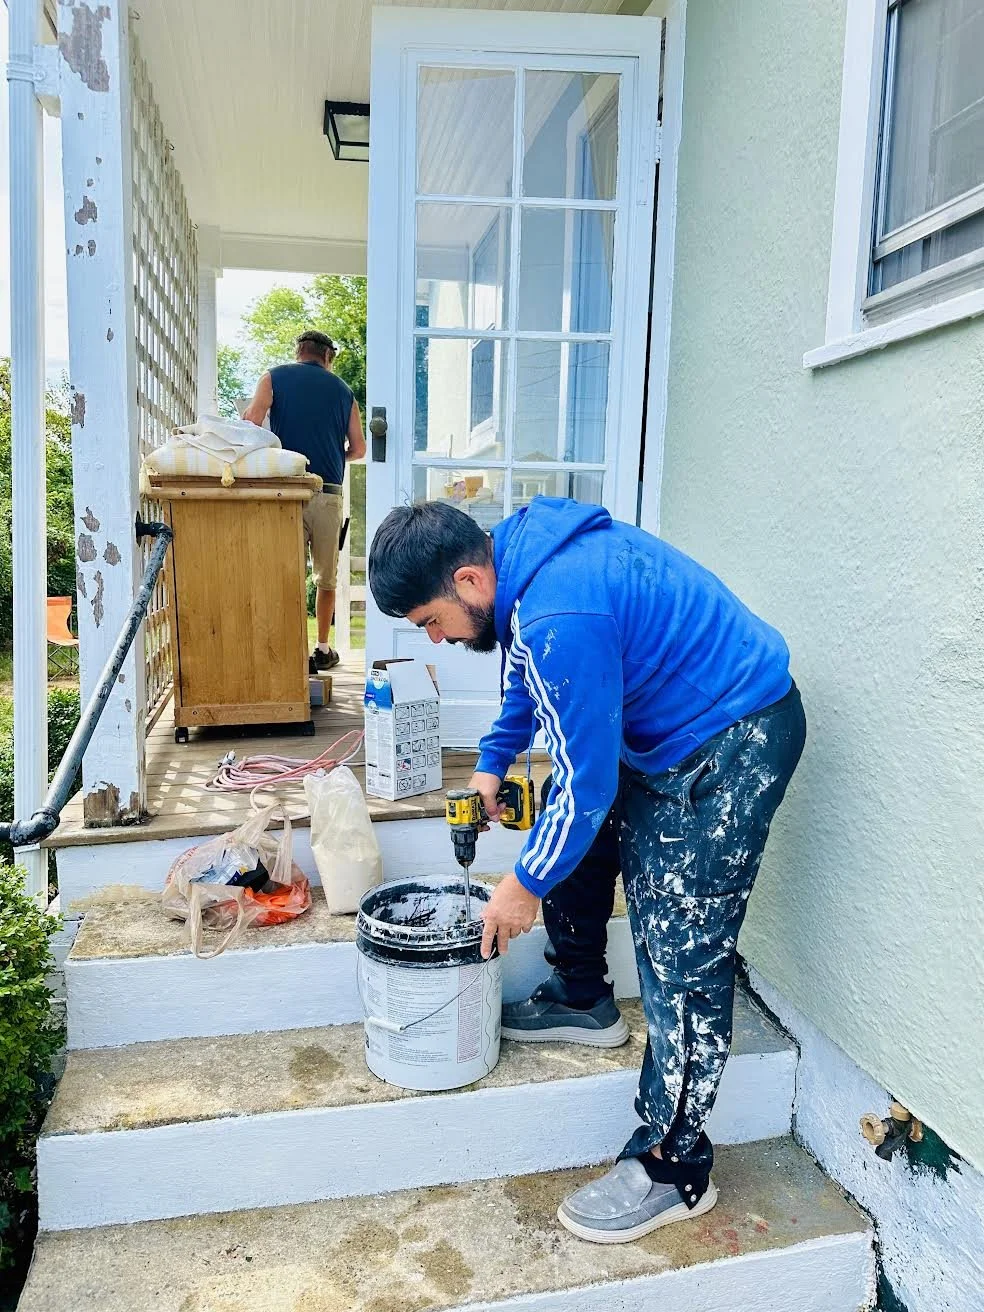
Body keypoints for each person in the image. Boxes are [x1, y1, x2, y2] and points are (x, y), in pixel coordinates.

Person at [368, 497, 806, 1245]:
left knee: (681, 948)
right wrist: (490, 765)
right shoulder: (516, 566)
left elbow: (586, 780)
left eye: (431, 621)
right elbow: (530, 681)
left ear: (470, 578)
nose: (435, 639)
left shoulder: (557, 613)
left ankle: (676, 1165)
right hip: (663, 728)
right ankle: (581, 996)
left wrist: (521, 887)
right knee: (567, 823)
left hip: (732, 740)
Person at [244, 330, 366, 671]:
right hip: (328, 493)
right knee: (326, 578)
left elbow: (251, 421)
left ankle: (287, 648)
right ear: (328, 356)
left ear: (299, 352)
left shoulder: (274, 377)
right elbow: (359, 449)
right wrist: (334, 454)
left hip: (288, 491)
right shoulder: (344, 392)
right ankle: (323, 649)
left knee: (287, 574)